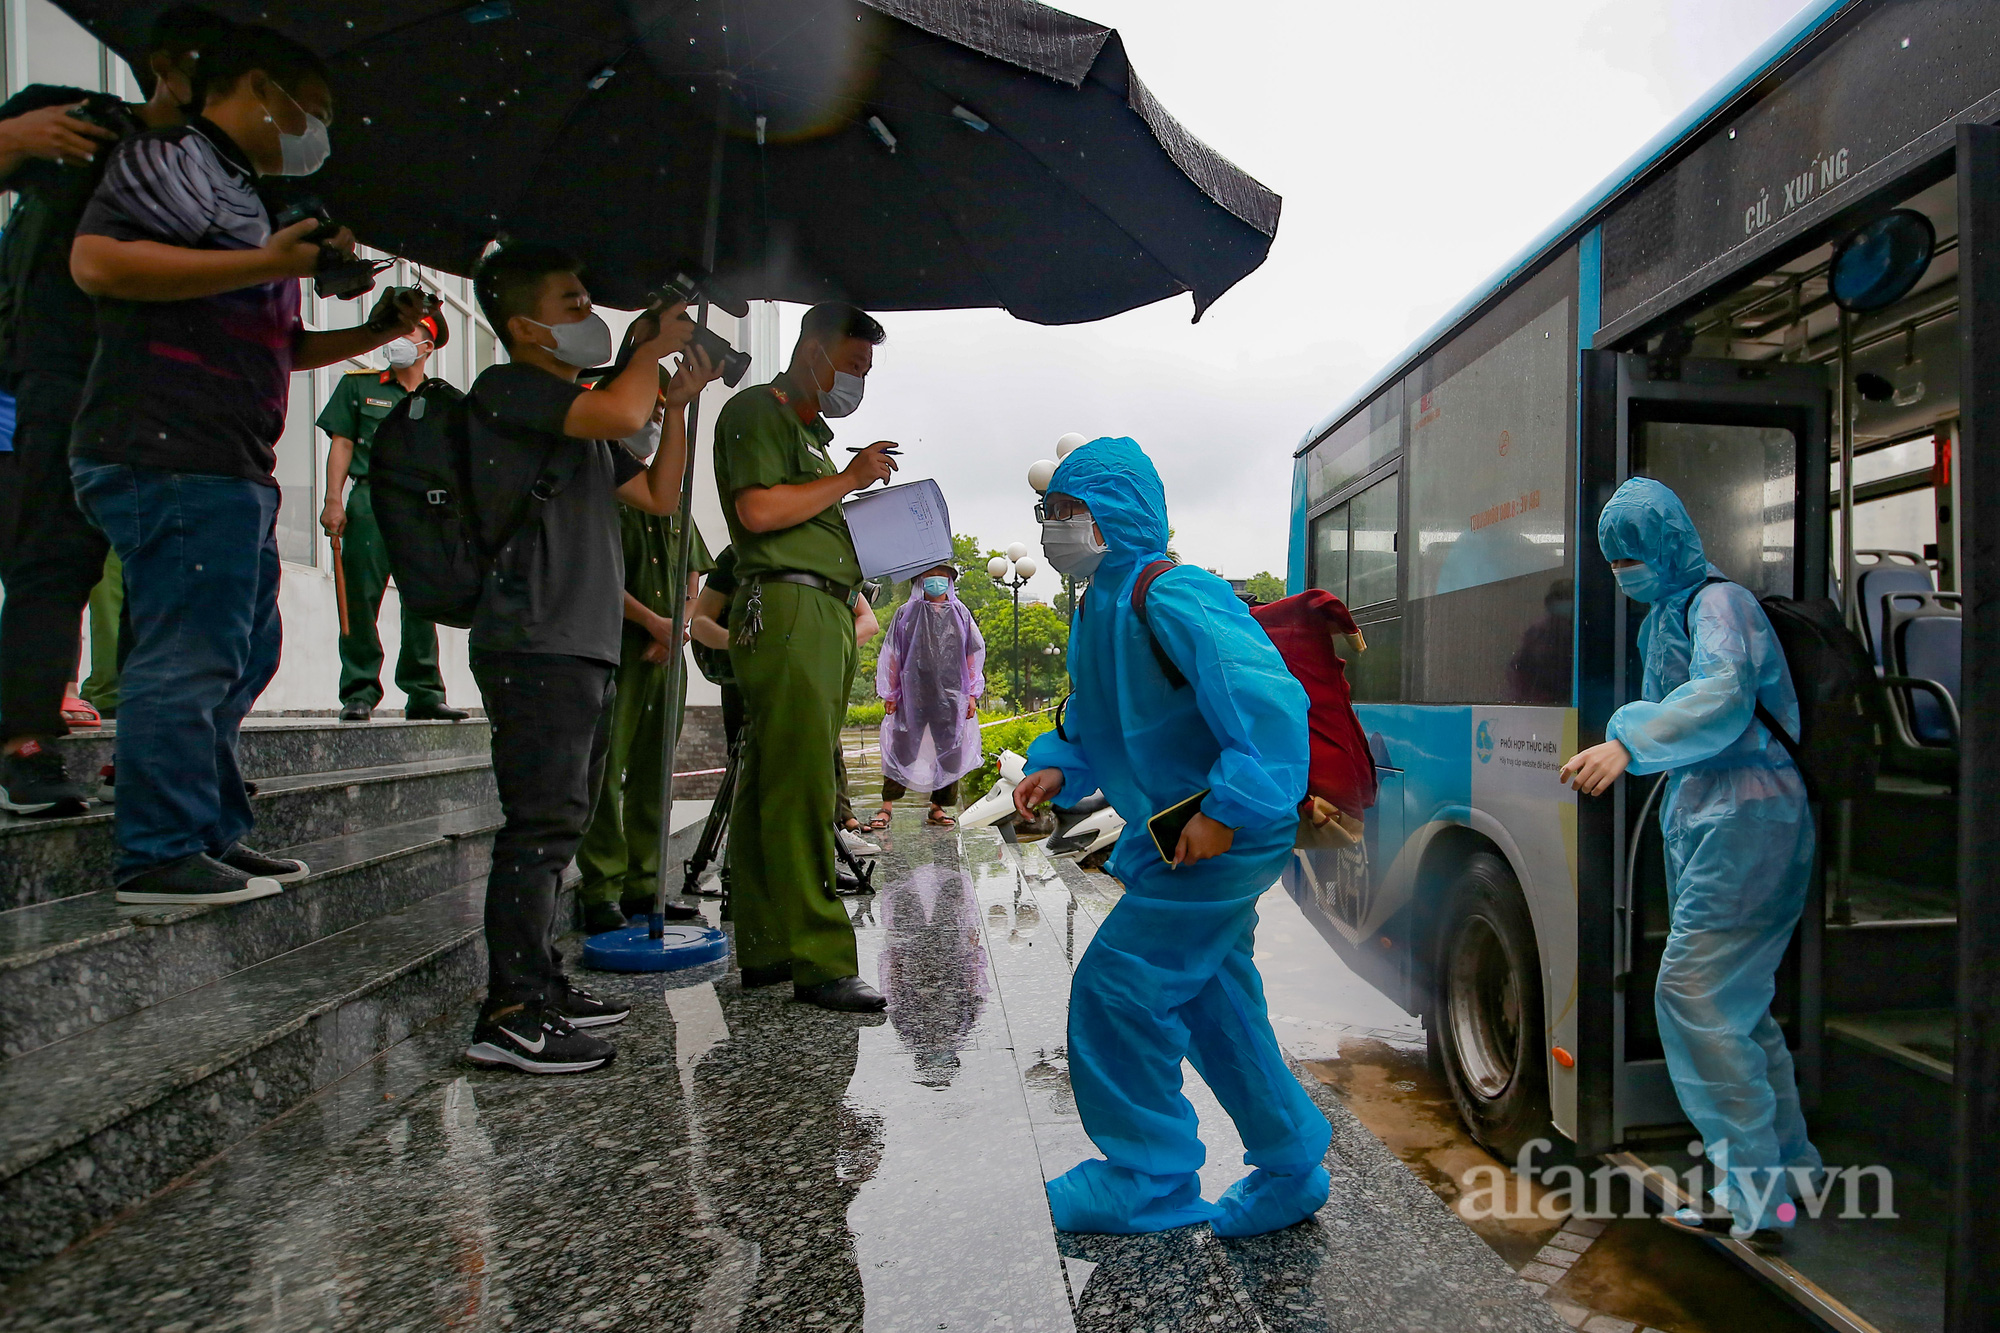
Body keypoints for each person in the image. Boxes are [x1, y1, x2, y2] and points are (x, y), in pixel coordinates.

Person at [67, 23, 431, 905]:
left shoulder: (249, 198)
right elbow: (97, 261)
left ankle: (209, 830)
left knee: (242, 651)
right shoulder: (171, 158)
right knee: (189, 652)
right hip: (166, 442)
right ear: (262, 89)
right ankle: (156, 852)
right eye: (317, 112)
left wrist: (378, 329)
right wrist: (269, 257)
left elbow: (281, 343)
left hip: (230, 458)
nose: (320, 132)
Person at [1013, 437, 1331, 1237]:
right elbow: (1096, 718)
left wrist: (1228, 812)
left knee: (1119, 988)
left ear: (1113, 513)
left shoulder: (1174, 592)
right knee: (1216, 1001)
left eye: (1066, 511)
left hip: (1221, 829)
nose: (1054, 527)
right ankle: (1291, 1163)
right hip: (1179, 832)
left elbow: (1269, 711)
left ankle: (1149, 1178)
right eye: (1048, 512)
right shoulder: (1098, 605)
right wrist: (1059, 766)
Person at [460, 241, 719, 1074]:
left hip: (580, 642)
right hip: (532, 639)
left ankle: (542, 982)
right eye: (572, 304)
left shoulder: (576, 411)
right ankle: (508, 1009)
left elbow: (656, 493)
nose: (589, 317)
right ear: (525, 325)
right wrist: (647, 349)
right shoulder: (509, 391)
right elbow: (615, 414)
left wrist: (676, 405)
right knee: (537, 827)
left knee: (561, 823)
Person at [1559, 477, 1821, 1246]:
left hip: (1751, 816)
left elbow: (1724, 694)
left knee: (1694, 993)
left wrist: (1627, 741)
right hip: (1719, 813)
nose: (1623, 570)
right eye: (1613, 560)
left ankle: (1757, 1199)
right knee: (1737, 1001)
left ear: (1670, 542)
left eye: (1632, 554)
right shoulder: (1665, 618)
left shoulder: (1719, 605)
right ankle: (1790, 1168)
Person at [0, 5, 232, 815]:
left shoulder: (209, 164)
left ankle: (149, 755)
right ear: (166, 64)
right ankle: (25, 742)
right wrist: (16, 142)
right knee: (52, 554)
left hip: (163, 384)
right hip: (62, 369)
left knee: (163, 571)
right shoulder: (76, 119)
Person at [711, 302, 896, 1012]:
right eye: (852, 363)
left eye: (866, 370)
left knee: (770, 783)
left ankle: (767, 945)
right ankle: (820, 957)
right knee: (806, 781)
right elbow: (758, 512)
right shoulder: (759, 412)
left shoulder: (807, 436)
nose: (857, 381)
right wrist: (849, 480)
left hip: (816, 608)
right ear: (812, 348)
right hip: (788, 607)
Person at [574, 427, 714, 934]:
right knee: (605, 774)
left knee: (656, 776)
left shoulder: (671, 496)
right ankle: (603, 890)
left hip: (665, 657)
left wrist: (676, 626)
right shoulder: (602, 489)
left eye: (661, 413)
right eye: (649, 411)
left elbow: (695, 578)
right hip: (615, 648)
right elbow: (596, 573)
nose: (652, 424)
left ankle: (646, 887)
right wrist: (652, 624)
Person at [318, 312, 467, 723]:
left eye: (409, 334)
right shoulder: (359, 385)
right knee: (360, 598)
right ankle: (359, 690)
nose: (398, 341)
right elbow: (343, 444)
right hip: (370, 501)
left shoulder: (442, 400)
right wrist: (334, 500)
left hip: (424, 511)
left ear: (428, 346)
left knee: (423, 600)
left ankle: (424, 692)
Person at [874, 563, 985, 830]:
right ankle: (886, 806)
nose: (936, 581)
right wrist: (891, 693)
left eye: (941, 576)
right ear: (919, 581)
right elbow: (894, 654)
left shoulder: (961, 614)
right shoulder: (907, 613)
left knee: (950, 749)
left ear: (950, 581)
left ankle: (938, 807)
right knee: (901, 746)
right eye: (929, 576)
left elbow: (972, 654)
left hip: (951, 695)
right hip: (912, 693)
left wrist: (971, 694)